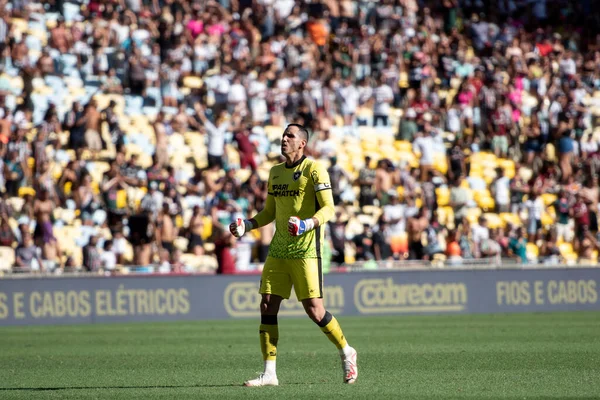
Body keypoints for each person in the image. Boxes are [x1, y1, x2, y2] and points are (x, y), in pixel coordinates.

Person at [229, 124, 357, 387]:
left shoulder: (314, 169)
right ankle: (270, 373)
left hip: (306, 250)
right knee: (266, 304)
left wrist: (307, 224)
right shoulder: (275, 173)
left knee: (314, 310)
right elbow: (270, 213)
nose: (284, 139)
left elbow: (329, 208)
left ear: (302, 144)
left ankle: (346, 351)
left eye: (290, 136)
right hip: (279, 249)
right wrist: (248, 225)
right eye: (283, 135)